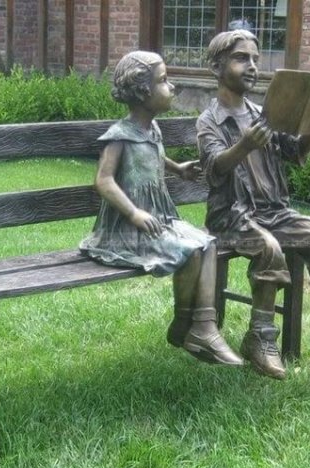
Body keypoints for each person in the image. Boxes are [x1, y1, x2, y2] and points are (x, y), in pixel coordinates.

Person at [197, 29, 310, 379]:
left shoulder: (263, 114)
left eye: (255, 59)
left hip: (274, 212)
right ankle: (260, 338)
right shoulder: (210, 121)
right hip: (232, 218)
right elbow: (214, 169)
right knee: (269, 249)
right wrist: (245, 145)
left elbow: (295, 153)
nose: (251, 66)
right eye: (241, 58)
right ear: (217, 67)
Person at [80, 50, 243, 366]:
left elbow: (152, 156)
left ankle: (203, 325)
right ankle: (184, 322)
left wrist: (177, 169)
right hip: (127, 230)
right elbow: (103, 181)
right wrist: (134, 213)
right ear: (143, 92)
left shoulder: (151, 130)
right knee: (189, 251)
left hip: (159, 218)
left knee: (207, 243)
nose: (172, 87)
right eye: (164, 80)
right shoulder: (120, 135)